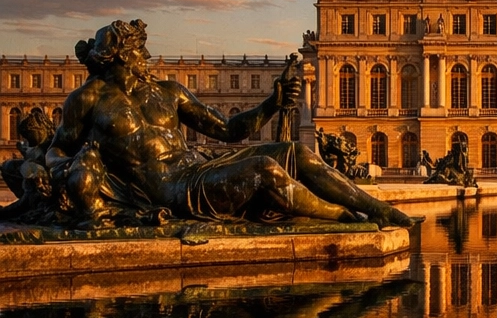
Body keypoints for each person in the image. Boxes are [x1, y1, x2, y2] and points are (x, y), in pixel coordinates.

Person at [44, 19, 413, 227]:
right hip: (170, 189)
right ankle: (347, 217)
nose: (146, 56)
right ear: (121, 55)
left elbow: (228, 129)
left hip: (199, 168)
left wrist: (272, 102)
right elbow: (58, 148)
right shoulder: (88, 100)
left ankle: (376, 208)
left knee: (294, 151)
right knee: (264, 169)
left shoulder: (168, 91)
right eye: (139, 50)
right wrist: (74, 170)